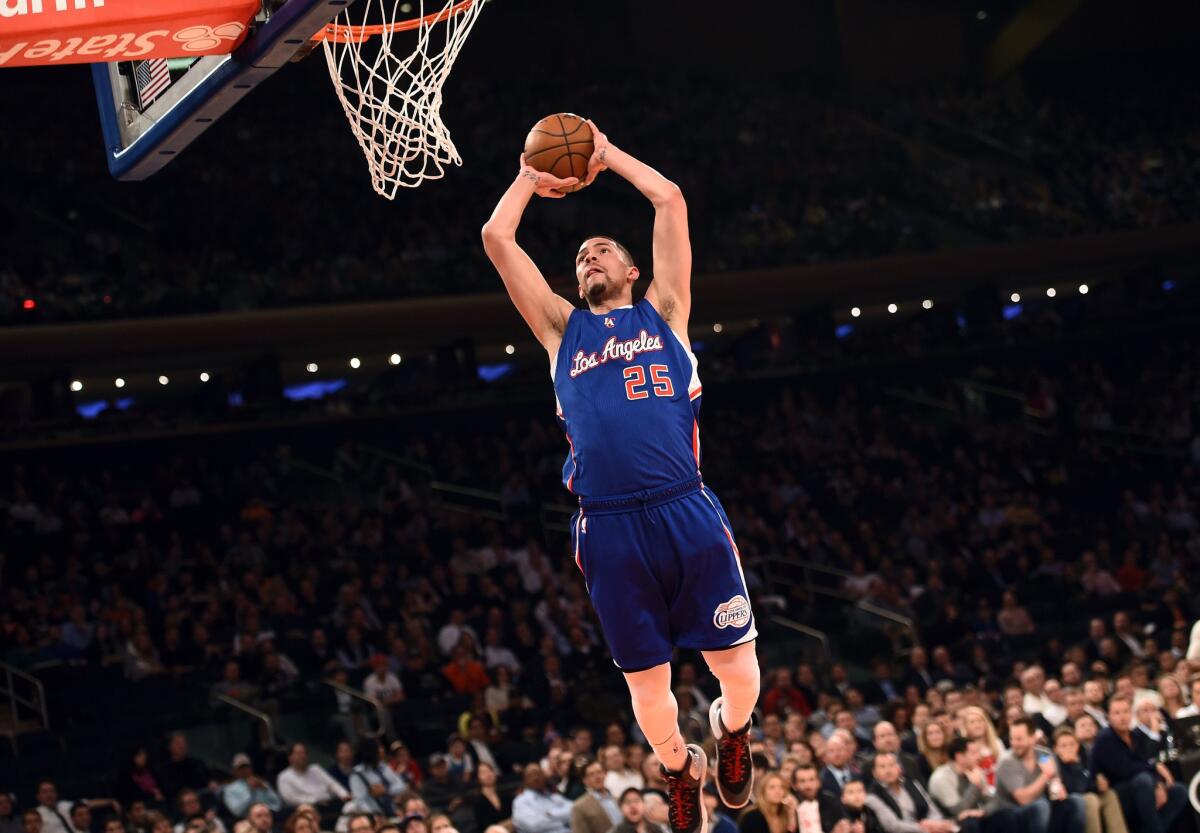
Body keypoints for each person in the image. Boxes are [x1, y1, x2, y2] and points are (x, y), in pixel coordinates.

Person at [482, 120, 760, 833]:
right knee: (647, 683)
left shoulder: (665, 312)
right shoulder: (558, 328)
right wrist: (528, 176)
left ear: (631, 270)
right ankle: (677, 767)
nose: (589, 255)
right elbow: (496, 239)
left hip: (684, 506)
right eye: (581, 254)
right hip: (607, 525)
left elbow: (669, 200)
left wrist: (605, 155)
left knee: (738, 668)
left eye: (602, 248)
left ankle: (731, 732)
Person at [1087, 698, 1187, 833]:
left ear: (1131, 714)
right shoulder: (1105, 738)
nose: (1122, 717)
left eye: (1125, 712)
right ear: (1109, 717)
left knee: (1178, 791)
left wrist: (1158, 782)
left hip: (1139, 788)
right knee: (1143, 780)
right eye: (1117, 713)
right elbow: (1124, 770)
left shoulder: (1134, 736)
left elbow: (1145, 761)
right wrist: (1154, 780)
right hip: (1113, 793)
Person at [994, 718, 1083, 833]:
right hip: (1013, 813)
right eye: (1012, 739)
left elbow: (1055, 788)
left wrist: (1057, 789)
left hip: (1043, 809)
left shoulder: (1043, 755)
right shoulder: (1006, 761)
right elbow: (1023, 799)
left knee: (1076, 801)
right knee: (1041, 806)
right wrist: (1045, 776)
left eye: (1019, 739)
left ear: (1032, 738)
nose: (1014, 743)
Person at [927, 738, 1018, 833]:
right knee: (969, 824)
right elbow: (957, 810)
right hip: (949, 823)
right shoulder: (942, 778)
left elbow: (994, 800)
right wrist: (974, 785)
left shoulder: (975, 771)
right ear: (959, 757)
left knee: (1007, 814)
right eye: (974, 753)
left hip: (973, 818)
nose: (979, 756)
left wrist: (983, 812)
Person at [1050, 728, 1126, 833]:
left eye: (1072, 744)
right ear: (1056, 749)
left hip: (1084, 793)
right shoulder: (1054, 763)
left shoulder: (1084, 757)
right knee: (1091, 799)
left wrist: (1099, 784)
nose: (1068, 748)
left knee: (1109, 795)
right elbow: (1073, 789)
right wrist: (1074, 766)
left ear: (1077, 745)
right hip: (1067, 803)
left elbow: (1090, 780)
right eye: (1063, 746)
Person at [276, 743, 350, 812]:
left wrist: (344, 794)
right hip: (309, 808)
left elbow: (332, 784)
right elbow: (290, 799)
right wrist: (315, 801)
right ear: (290, 757)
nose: (302, 756)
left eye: (304, 753)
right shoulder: (284, 776)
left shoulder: (316, 769)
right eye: (298, 754)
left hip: (330, 803)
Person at [512, 763, 572, 833]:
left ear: (544, 776)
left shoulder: (554, 797)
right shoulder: (520, 801)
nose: (535, 778)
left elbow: (575, 810)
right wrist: (564, 822)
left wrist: (551, 814)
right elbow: (535, 826)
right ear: (525, 780)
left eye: (538, 774)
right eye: (531, 775)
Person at [790, 764, 847, 833]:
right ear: (794, 785)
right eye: (802, 781)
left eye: (812, 780)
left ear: (819, 782)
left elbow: (843, 823)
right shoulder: (790, 804)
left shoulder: (830, 801)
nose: (808, 785)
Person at [572, 760, 622, 833]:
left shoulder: (618, 799)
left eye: (599, 772)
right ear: (585, 780)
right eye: (592, 774)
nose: (597, 777)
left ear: (605, 774)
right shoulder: (579, 807)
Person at [472, 761, 511, 831]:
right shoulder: (478, 802)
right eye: (483, 772)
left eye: (490, 770)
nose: (488, 774)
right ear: (478, 778)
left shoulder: (505, 796)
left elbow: (516, 820)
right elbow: (488, 828)